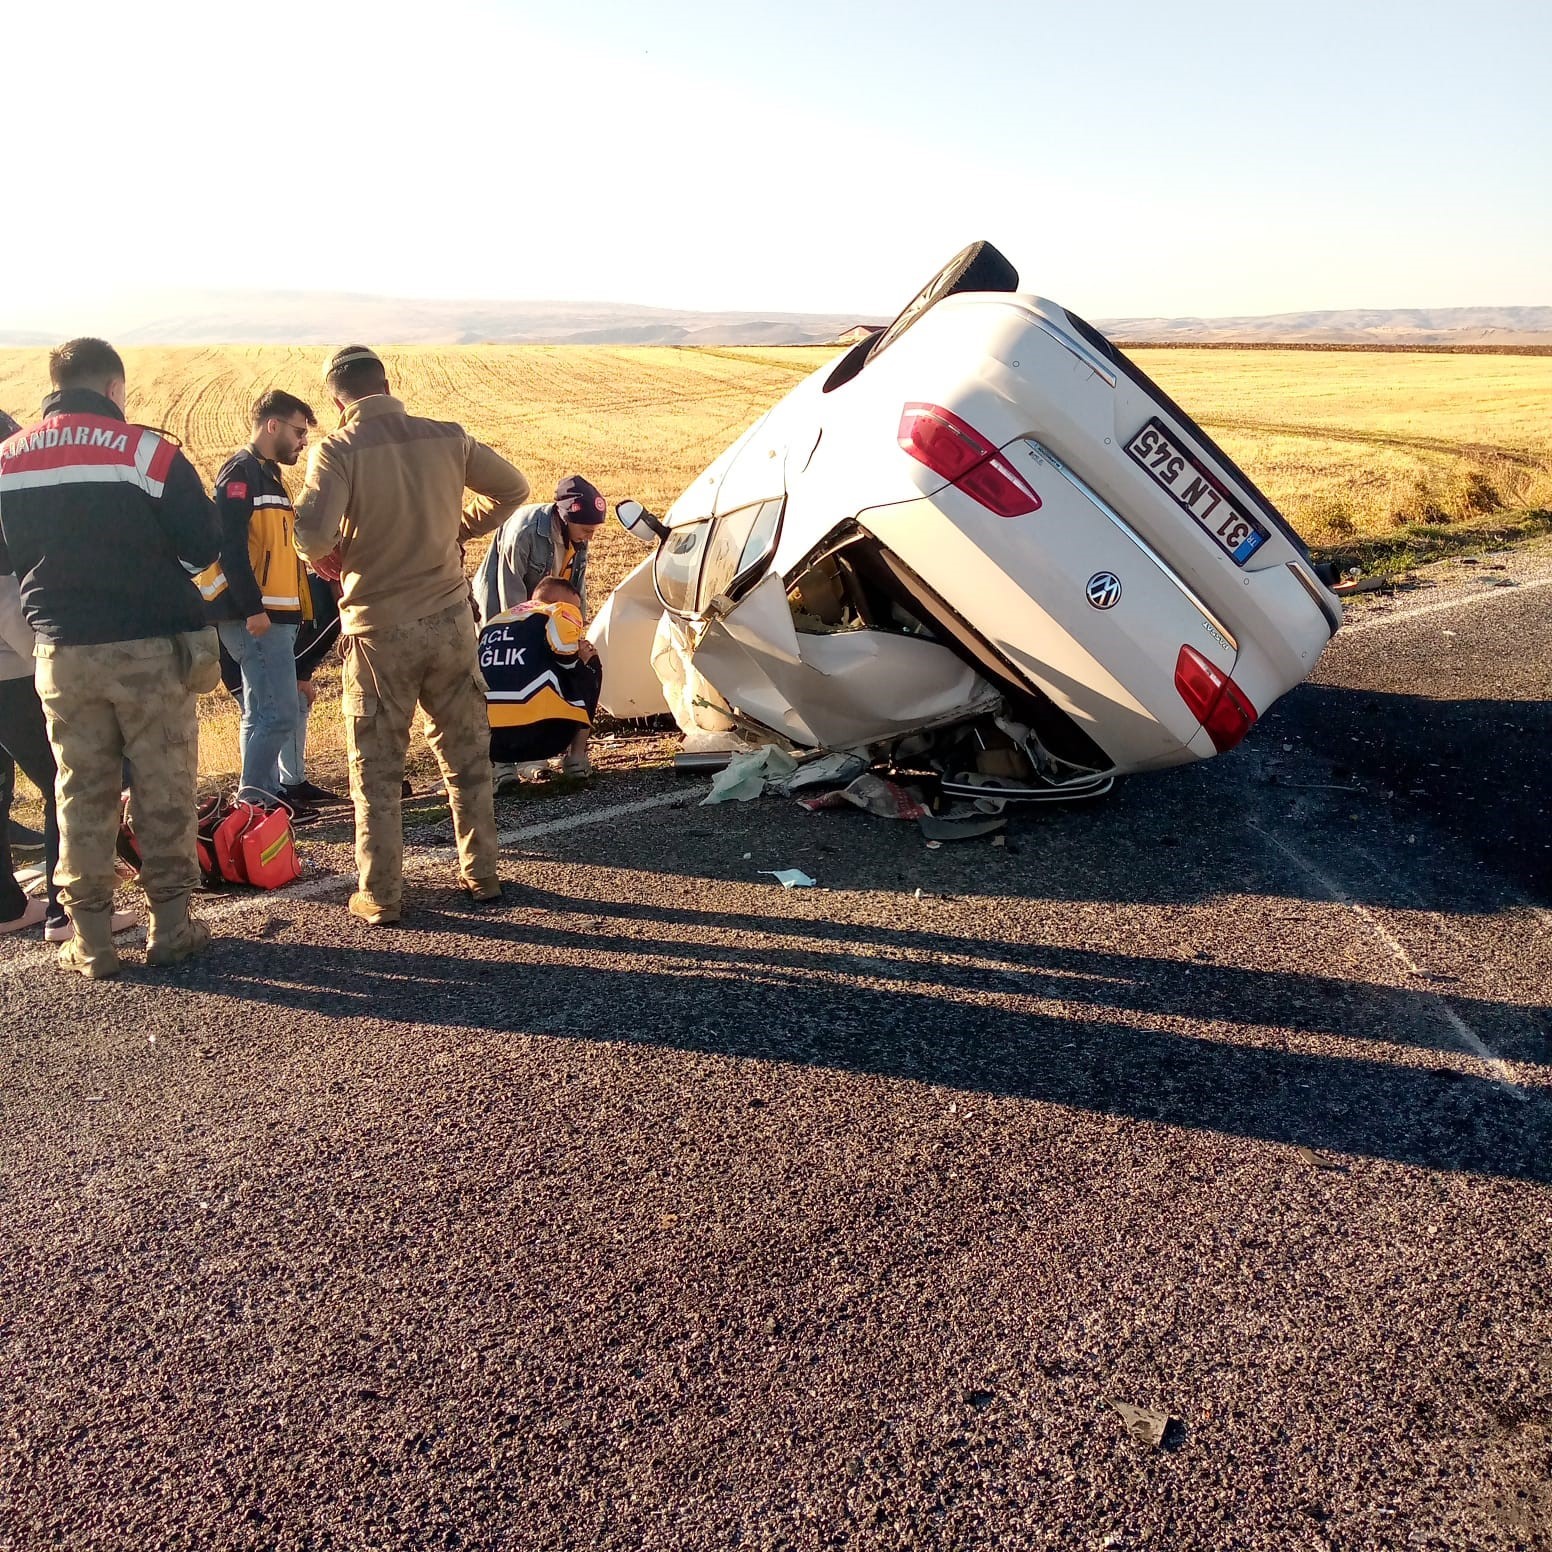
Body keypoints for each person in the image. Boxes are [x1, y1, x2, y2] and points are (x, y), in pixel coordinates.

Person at [0, 339, 220, 977]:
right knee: (164, 788)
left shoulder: (9, 460)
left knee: (79, 792)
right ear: (115, 389)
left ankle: (91, 940)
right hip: (149, 649)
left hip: (61, 653)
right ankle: (172, 927)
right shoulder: (149, 452)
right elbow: (203, 544)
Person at [293, 345, 531, 926]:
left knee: (376, 768)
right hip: (452, 621)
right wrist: (456, 529)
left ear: (336, 398)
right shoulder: (448, 436)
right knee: (467, 756)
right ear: (387, 382)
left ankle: (381, 894)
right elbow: (516, 490)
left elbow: (314, 538)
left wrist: (322, 543)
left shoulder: (337, 450)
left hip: (379, 631)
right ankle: (483, 875)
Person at [197, 391, 319, 814]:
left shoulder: (265, 473)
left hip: (271, 613)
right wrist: (253, 609)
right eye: (299, 431)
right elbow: (230, 547)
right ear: (272, 425)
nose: (303, 441)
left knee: (259, 712)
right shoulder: (242, 472)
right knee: (280, 714)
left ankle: (267, 798)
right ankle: (253, 799)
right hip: (258, 616)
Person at [0, 570, 135, 941]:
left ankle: (7, 906)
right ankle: (68, 912)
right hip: (15, 682)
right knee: (65, 785)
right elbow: (17, 621)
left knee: (6, 794)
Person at [216, 568, 344, 810]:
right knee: (270, 714)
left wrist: (303, 675)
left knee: (274, 710)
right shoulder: (328, 601)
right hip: (243, 650)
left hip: (252, 645)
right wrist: (300, 674)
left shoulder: (320, 591)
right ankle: (260, 795)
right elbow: (305, 642)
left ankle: (286, 784)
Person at [478, 577, 602, 788]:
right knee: (589, 660)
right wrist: (583, 659)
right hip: (544, 736)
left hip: (492, 743)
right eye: (577, 607)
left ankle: (501, 768)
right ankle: (576, 759)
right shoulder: (559, 610)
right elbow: (566, 655)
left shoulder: (494, 622)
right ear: (557, 599)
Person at [472, 474, 607, 626]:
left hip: (538, 614)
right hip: (498, 613)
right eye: (587, 530)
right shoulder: (523, 532)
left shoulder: (579, 535)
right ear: (566, 518)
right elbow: (510, 595)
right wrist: (521, 636)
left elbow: (576, 590)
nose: (591, 537)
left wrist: (576, 629)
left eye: (594, 530)